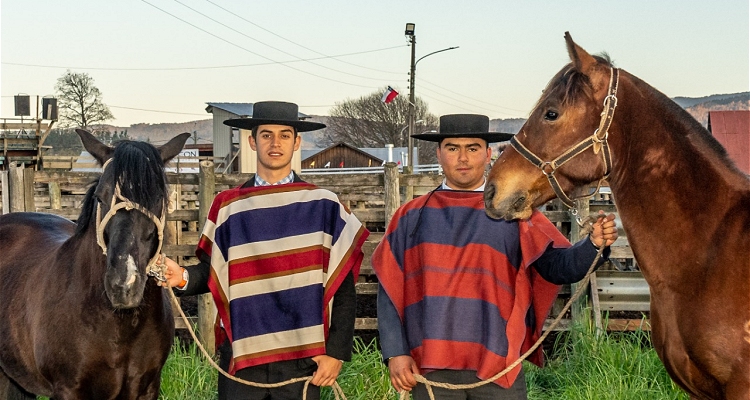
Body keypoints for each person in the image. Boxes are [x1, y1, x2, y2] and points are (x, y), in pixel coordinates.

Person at [372, 114, 618, 400]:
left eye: (473, 148)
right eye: (452, 148)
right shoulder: (410, 216)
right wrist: (395, 352)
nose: (463, 157)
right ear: (439, 154)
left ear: (488, 154)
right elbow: (389, 288)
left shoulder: (515, 211)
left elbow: (557, 267)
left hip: (499, 365)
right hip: (430, 367)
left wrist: (594, 245)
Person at [159, 101, 369, 400]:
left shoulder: (323, 205)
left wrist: (335, 353)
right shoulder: (230, 206)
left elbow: (344, 286)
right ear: (252, 141)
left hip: (304, 356)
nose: (275, 143)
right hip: (242, 355)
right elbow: (214, 272)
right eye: (266, 135)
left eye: (285, 135)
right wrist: (181, 277)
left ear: (297, 142)